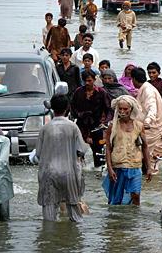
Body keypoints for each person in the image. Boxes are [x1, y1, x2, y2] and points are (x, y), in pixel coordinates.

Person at [35, 94, 88, 222]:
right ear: (67, 108)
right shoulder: (73, 127)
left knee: (49, 215)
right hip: (69, 173)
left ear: (52, 108)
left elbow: (38, 154)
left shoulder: (45, 128)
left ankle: (49, 241)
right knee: (75, 213)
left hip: (48, 173)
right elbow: (81, 149)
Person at [103, 95, 152, 205]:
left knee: (135, 194)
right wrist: (110, 169)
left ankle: (135, 218)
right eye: (120, 109)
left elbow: (145, 147)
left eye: (125, 109)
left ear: (131, 109)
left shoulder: (139, 126)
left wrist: (149, 167)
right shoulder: (113, 126)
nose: (122, 111)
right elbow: (108, 149)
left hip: (135, 165)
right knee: (116, 199)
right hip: (118, 166)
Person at [131, 67, 162, 173]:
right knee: (146, 157)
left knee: (152, 158)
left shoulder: (148, 90)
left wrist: (148, 121)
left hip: (157, 128)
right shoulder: (144, 88)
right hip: (150, 129)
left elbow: (152, 107)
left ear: (134, 79)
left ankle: (152, 184)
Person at [70, 69, 111, 167]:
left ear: (94, 80)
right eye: (85, 81)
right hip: (81, 124)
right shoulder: (78, 92)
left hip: (97, 125)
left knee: (98, 151)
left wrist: (105, 122)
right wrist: (78, 115)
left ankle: (98, 169)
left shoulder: (102, 93)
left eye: (90, 81)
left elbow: (109, 109)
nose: (87, 83)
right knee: (78, 151)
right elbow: (72, 107)